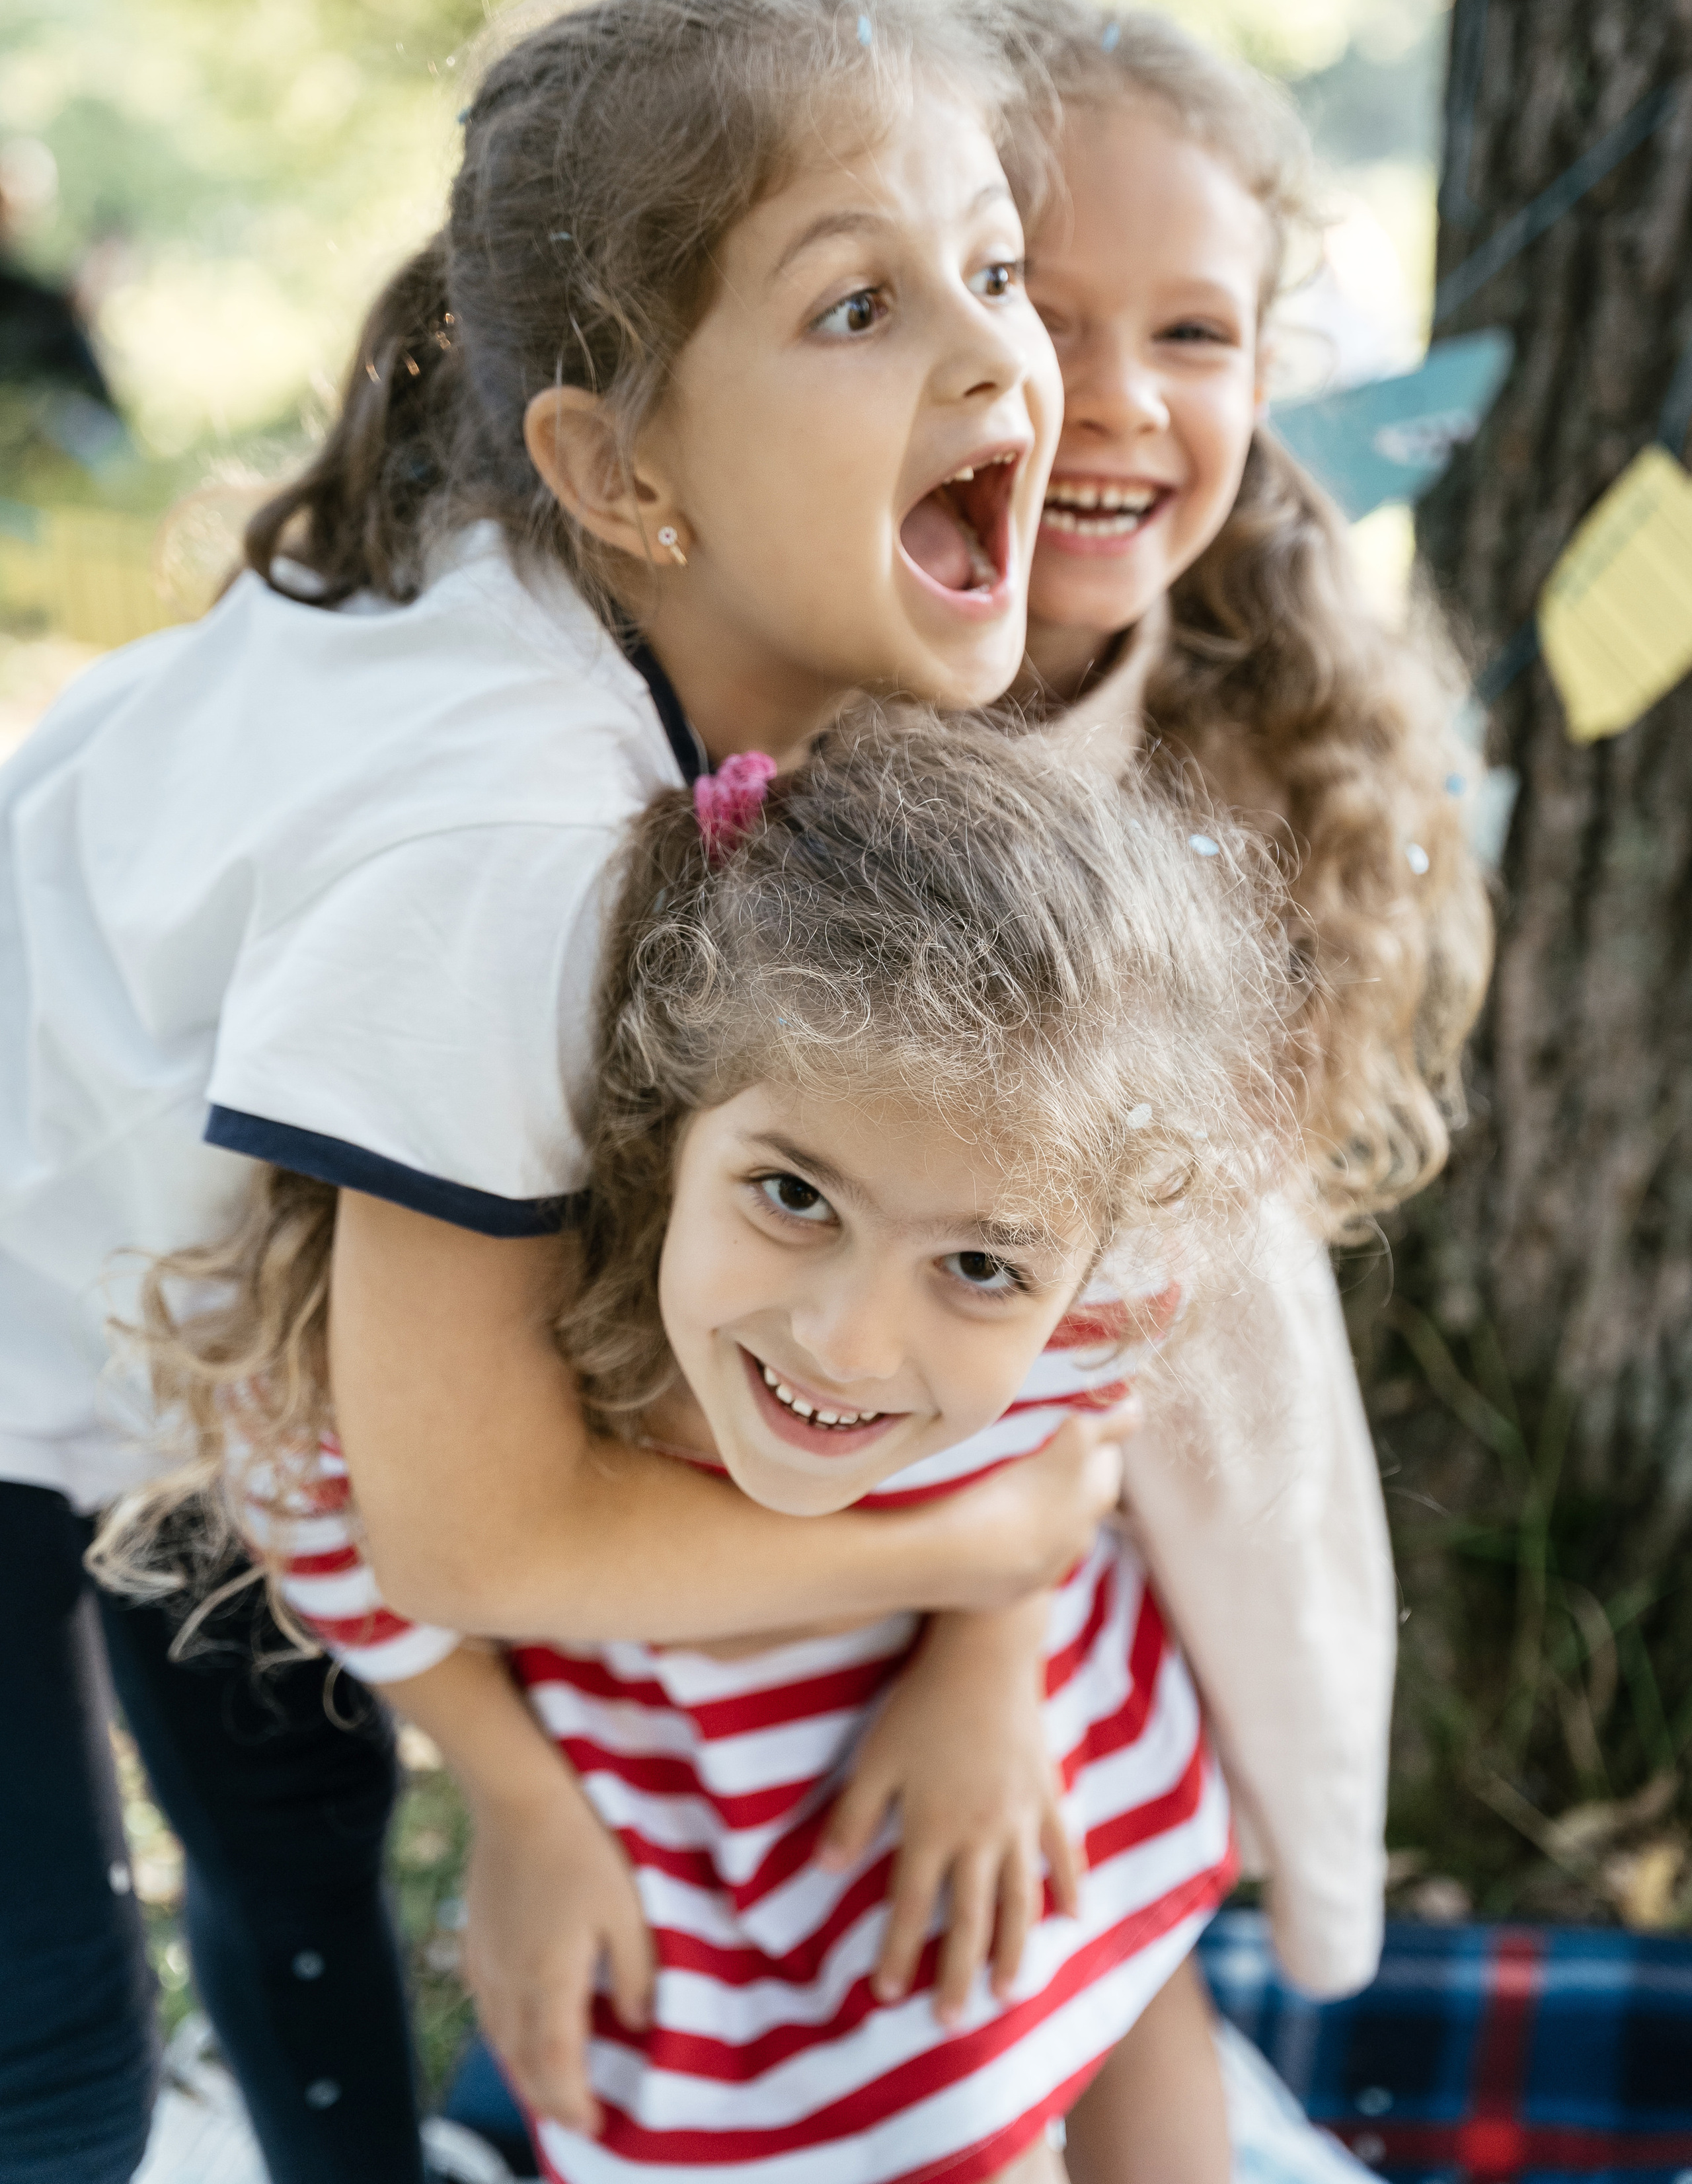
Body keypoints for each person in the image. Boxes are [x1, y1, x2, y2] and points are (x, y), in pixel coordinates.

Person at [0, 0, 1118, 2184]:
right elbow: (479, 1526)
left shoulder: (588, 600)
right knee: (50, 2078)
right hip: (38, 1340)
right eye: (857, 307)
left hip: (140, 1316)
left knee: (295, 1830)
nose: (1001, 350)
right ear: (619, 471)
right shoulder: (509, 847)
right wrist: (990, 1545)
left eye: (993, 272)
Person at [96, 702, 1292, 2184]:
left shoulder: (1093, 1296)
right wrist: (516, 1797)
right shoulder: (508, 1337)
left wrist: (987, 1659)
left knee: (1101, 1995)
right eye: (793, 1197)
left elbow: (1067, 1452)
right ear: (670, 1115)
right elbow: (309, 1497)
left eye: (979, 1269)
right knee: (896, 2119)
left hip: (1003, 1740)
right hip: (681, 1813)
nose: (846, 1347)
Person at [989, 0, 1494, 2000]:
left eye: (1192, 333)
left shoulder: (1245, 750)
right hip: (852, 1562)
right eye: (1035, 310)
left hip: (1131, 1556)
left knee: (1133, 2008)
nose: (1112, 401)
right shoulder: (791, 754)